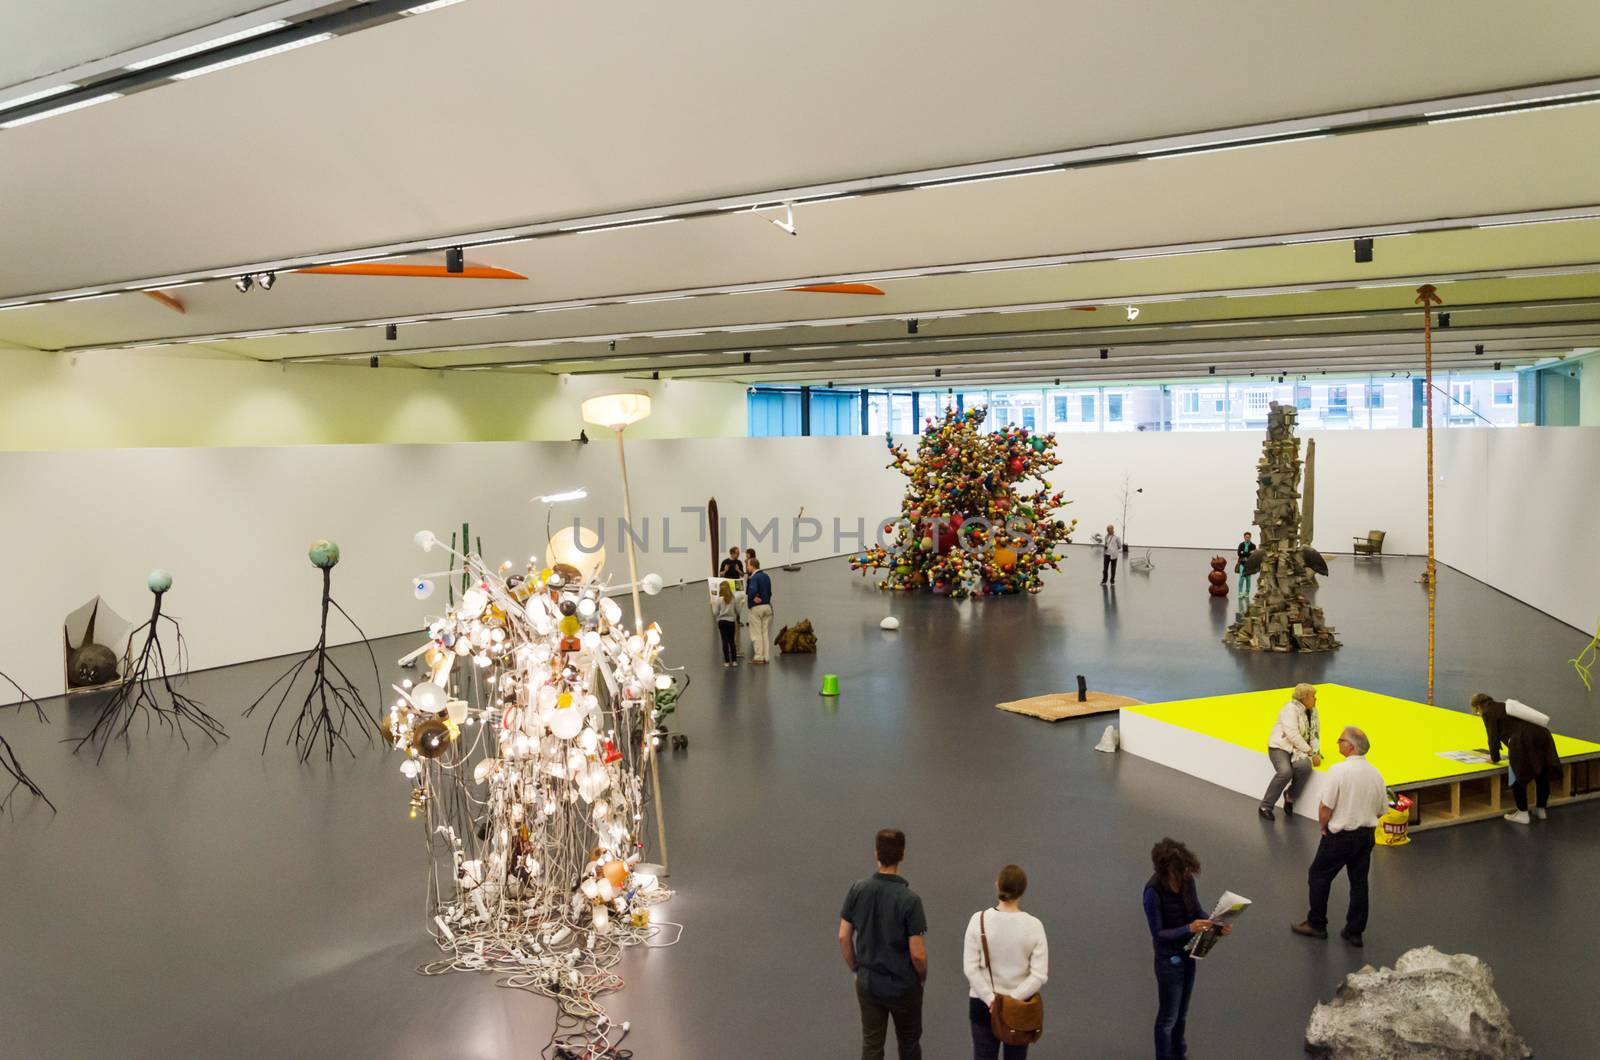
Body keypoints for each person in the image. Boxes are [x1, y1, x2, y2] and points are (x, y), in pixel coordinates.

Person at [1292, 726, 1387, 947]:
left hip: (1340, 836)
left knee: (1318, 875)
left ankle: (1316, 924)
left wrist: (1324, 827)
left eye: (1340, 740)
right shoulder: (1376, 774)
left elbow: (1326, 805)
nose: (1338, 743)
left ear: (1350, 746)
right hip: (1366, 836)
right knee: (1359, 883)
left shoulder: (1338, 771)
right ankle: (1354, 932)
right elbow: (1382, 809)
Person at [839, 828, 928, 1060]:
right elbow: (917, 953)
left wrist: (856, 968)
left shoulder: (858, 890)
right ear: (903, 855)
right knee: (909, 1045)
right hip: (903, 985)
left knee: (872, 1045)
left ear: (876, 853)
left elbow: (843, 936)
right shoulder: (910, 900)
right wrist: (922, 976)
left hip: (869, 982)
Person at [1143, 838, 1229, 1060]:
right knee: (1168, 1018)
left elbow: (1196, 910)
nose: (1185, 876)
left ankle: (1178, 1054)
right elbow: (1158, 933)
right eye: (1180, 872)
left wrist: (1215, 924)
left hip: (1188, 953)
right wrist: (1189, 928)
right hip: (1168, 960)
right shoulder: (1152, 892)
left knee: (1182, 1013)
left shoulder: (1187, 881)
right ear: (1168, 870)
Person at [963, 864, 1047, 1060]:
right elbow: (1039, 975)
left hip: (983, 1006)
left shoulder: (978, 920)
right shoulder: (1034, 926)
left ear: (997, 885)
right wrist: (1011, 1001)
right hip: (1020, 1007)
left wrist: (992, 1000)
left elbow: (970, 968)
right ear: (1023, 890)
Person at [1471, 693, 1562, 825]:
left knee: (1518, 775)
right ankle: (1541, 809)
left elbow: (1493, 737)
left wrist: (1494, 758)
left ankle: (1522, 813)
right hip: (1543, 735)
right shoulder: (1504, 706)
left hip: (1522, 740)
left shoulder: (1488, 712)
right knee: (1541, 772)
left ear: (1478, 706)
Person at [1259, 683, 1322, 820]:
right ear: (1304, 698)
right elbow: (1292, 735)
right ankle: (1265, 806)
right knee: (1285, 772)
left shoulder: (1312, 711)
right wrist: (1311, 752)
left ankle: (1290, 795)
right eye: (1313, 696)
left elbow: (1314, 734)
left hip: (1297, 749)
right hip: (1280, 747)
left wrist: (1316, 752)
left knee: (1305, 767)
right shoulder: (1290, 709)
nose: (1315, 699)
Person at [746, 557, 774, 664]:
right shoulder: (766, 576)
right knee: (764, 633)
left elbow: (752, 591)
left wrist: (752, 597)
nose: (747, 567)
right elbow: (770, 593)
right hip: (767, 607)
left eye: (748, 565)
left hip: (756, 609)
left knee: (756, 633)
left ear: (752, 566)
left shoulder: (754, 578)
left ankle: (758, 657)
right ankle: (766, 657)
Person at [713, 581, 738, 668]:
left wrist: (713, 604)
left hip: (722, 622)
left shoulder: (719, 600)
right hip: (731, 622)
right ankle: (734, 661)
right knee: (732, 641)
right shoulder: (733, 598)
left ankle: (727, 661)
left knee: (724, 642)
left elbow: (715, 612)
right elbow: (737, 611)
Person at [1235, 531, 1256, 597]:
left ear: (1250, 538)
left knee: (1248, 579)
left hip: (1249, 564)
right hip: (1242, 563)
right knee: (1241, 577)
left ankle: (1247, 592)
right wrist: (1249, 553)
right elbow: (1239, 553)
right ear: (1244, 537)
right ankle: (1240, 592)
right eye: (1246, 537)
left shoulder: (1253, 545)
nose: (1247, 538)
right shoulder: (1241, 545)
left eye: (1249, 537)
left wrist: (1243, 552)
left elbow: (1254, 555)